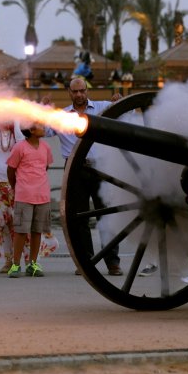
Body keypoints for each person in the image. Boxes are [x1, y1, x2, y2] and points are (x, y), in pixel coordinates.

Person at [47, 76, 123, 275]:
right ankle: (86, 263)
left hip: (101, 168)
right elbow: (42, 131)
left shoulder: (102, 108)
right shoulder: (61, 116)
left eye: (82, 91)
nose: (79, 95)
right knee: (78, 218)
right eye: (75, 91)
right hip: (75, 170)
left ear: (87, 91)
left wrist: (120, 101)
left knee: (106, 215)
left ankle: (113, 263)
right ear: (69, 93)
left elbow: (126, 112)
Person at [6, 121, 53, 278]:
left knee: (37, 231)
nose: (44, 127)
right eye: (40, 125)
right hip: (24, 195)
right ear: (32, 130)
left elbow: (45, 167)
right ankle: (15, 264)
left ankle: (33, 263)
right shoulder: (19, 147)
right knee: (20, 231)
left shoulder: (45, 147)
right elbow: (11, 170)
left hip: (42, 196)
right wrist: (17, 187)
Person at [0, 121, 24, 273]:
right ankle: (8, 260)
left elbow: (21, 142)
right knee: (3, 224)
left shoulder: (16, 131)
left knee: (17, 223)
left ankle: (20, 260)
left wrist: (16, 121)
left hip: (14, 183)